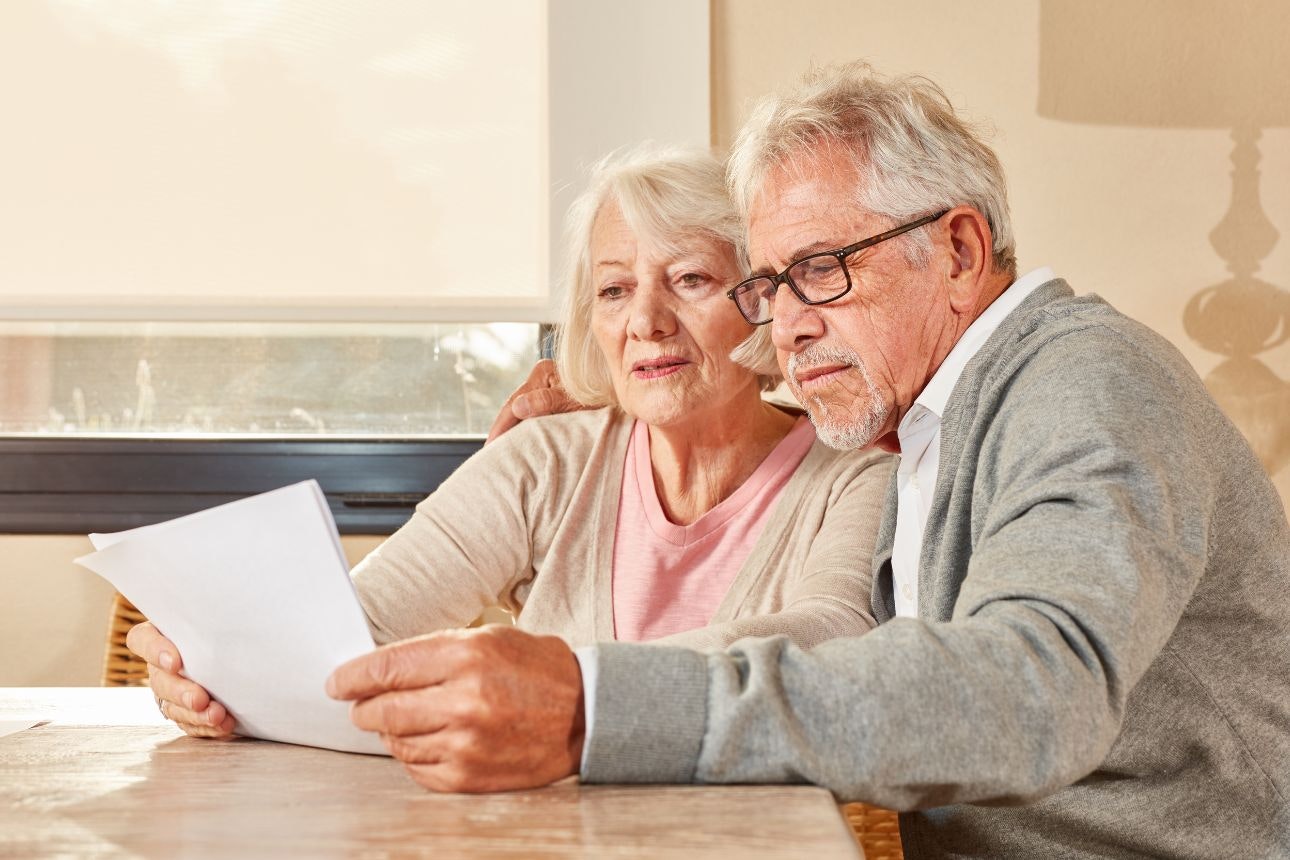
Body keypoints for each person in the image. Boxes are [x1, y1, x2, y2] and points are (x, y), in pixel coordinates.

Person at [325, 64, 1290, 857]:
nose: (786, 325)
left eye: (823, 270)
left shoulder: (1088, 388)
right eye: (769, 285)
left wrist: (597, 704)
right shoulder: (925, 424)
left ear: (958, 251)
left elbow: (1034, 694)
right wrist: (636, 384)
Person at [127, 145, 893, 751]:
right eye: (615, 289)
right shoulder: (545, 460)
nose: (646, 322)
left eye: (690, 278)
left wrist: (563, 684)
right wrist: (207, 661)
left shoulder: (853, 474)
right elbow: (354, 632)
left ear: (760, 300)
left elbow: (831, 638)